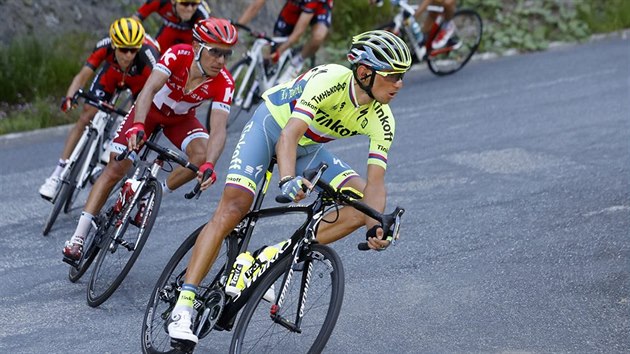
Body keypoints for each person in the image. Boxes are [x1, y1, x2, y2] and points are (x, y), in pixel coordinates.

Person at [166, 29, 411, 345]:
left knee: (364, 204)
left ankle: (273, 254)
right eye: (393, 76)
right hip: (272, 127)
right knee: (235, 207)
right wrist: (287, 179)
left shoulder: (383, 118)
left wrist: (376, 224)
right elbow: (289, 136)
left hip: (309, 148)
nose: (400, 84)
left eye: (402, 76)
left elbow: (376, 183)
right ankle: (183, 306)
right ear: (364, 72)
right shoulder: (331, 80)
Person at [62, 18, 239, 263]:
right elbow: (148, 91)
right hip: (149, 112)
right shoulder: (177, 55)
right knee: (116, 167)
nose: (221, 61)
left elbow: (218, 129)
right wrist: (136, 125)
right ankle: (78, 238)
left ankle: (151, 196)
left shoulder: (225, 82)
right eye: (215, 52)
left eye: (226, 55)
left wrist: (210, 163)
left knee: (201, 156)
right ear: (198, 47)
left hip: (180, 120)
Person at [38, 18, 160, 200]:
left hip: (140, 82)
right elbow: (82, 76)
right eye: (123, 50)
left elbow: (157, 91)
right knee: (87, 114)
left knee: (137, 112)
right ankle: (57, 174)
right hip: (112, 75)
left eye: (133, 50)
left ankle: (113, 137)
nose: (128, 55)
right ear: (114, 45)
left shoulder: (149, 55)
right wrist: (69, 97)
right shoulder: (105, 45)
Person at [237, 0, 334, 83]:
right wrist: (235, 28)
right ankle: (263, 80)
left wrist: (280, 51)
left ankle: (298, 61)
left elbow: (298, 32)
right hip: (295, 5)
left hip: (320, 6)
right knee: (276, 44)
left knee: (317, 37)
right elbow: (255, 6)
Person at [133, 0, 211, 53]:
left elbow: (208, 41)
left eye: (194, 4)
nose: (189, 9)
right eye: (184, 4)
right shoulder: (161, 2)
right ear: (173, 1)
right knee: (156, 53)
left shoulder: (202, 13)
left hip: (191, 35)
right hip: (168, 31)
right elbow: (134, 21)